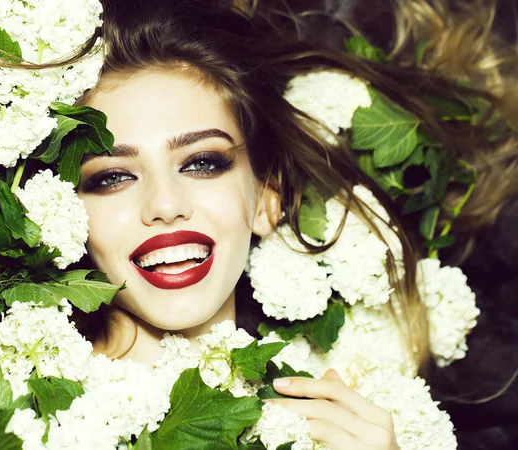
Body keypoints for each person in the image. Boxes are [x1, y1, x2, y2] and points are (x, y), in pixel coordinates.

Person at [67, 0, 517, 448]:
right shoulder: (19, 408)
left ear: (267, 197)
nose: (165, 204)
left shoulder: (360, 407)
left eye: (202, 163)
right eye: (112, 177)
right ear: (62, 213)